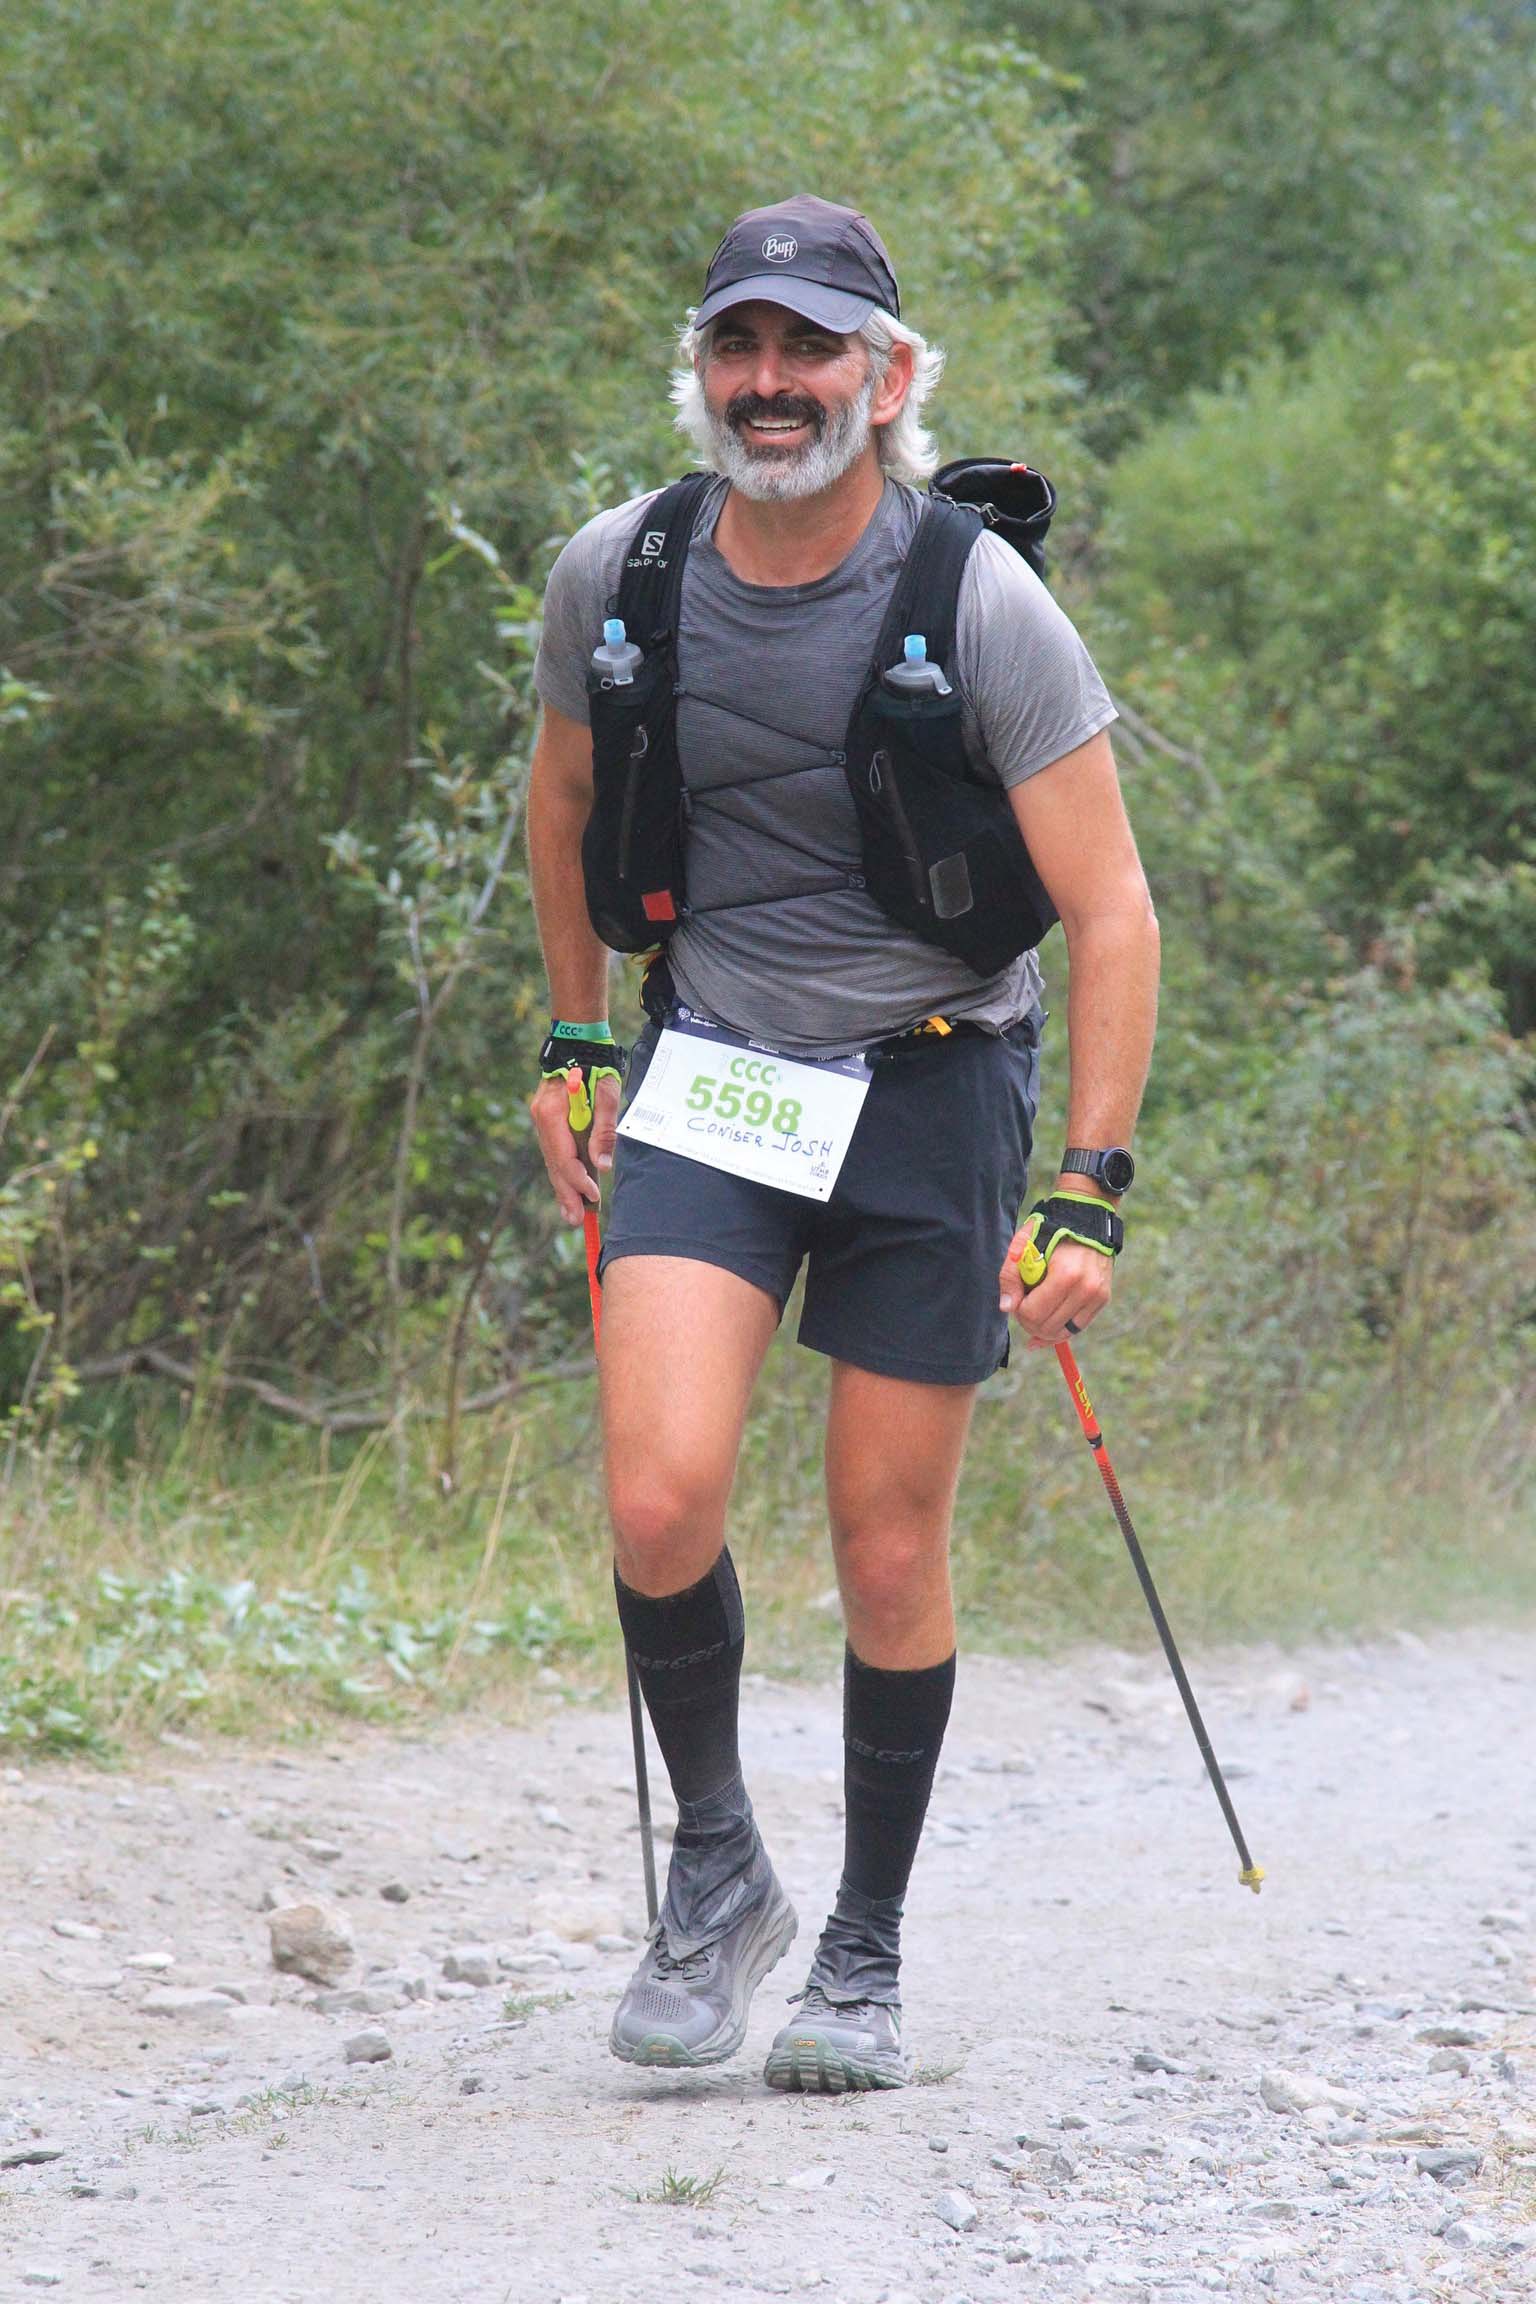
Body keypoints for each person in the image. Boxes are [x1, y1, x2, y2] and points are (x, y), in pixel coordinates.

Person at [527, 195, 1159, 2093]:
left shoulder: (979, 599)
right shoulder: (615, 573)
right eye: (742, 347)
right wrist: (570, 1040)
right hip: (713, 1069)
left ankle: (865, 1952)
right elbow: (564, 807)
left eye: (813, 352)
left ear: (888, 379)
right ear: (702, 368)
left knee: (888, 1548)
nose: (773, 385)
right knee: (658, 1498)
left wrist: (1089, 1190)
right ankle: (718, 1874)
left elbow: (1112, 908)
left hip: (936, 1077)